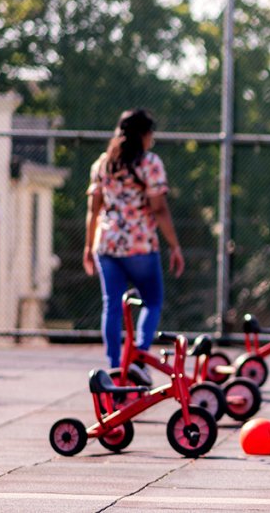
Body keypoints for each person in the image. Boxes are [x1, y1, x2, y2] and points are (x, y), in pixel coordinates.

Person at [83, 109, 185, 369]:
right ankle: (138, 359)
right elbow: (159, 209)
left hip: (106, 243)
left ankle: (115, 367)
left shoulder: (103, 164)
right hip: (139, 243)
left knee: (113, 306)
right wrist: (174, 246)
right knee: (152, 301)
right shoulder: (149, 163)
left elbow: (93, 210)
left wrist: (87, 246)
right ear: (144, 134)